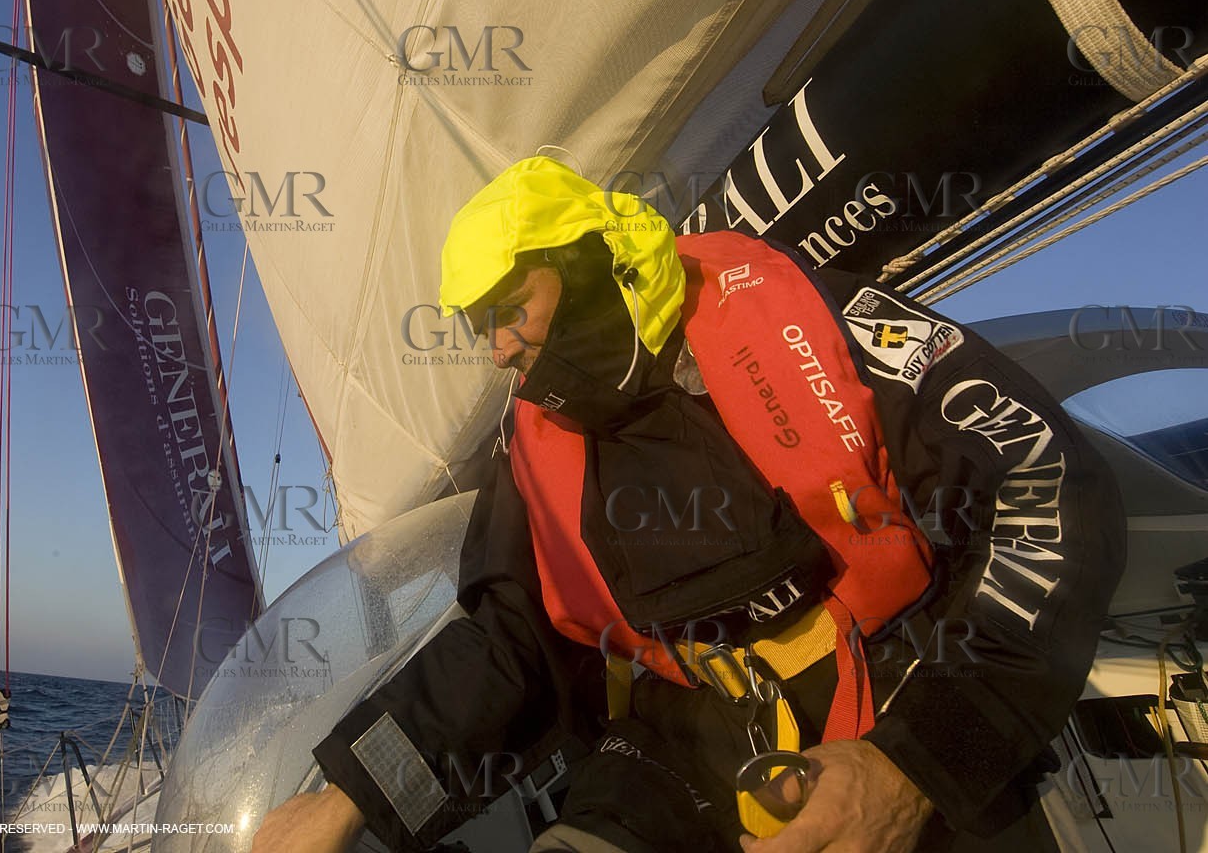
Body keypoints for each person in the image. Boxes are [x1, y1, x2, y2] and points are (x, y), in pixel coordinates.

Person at [250, 156, 1126, 853]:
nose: (499, 350)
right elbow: (509, 639)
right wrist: (349, 793)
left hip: (902, 711)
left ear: (588, 265)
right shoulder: (531, 444)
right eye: (482, 327)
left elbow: (1047, 486)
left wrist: (919, 770)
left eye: (513, 310)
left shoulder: (807, 315)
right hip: (677, 750)